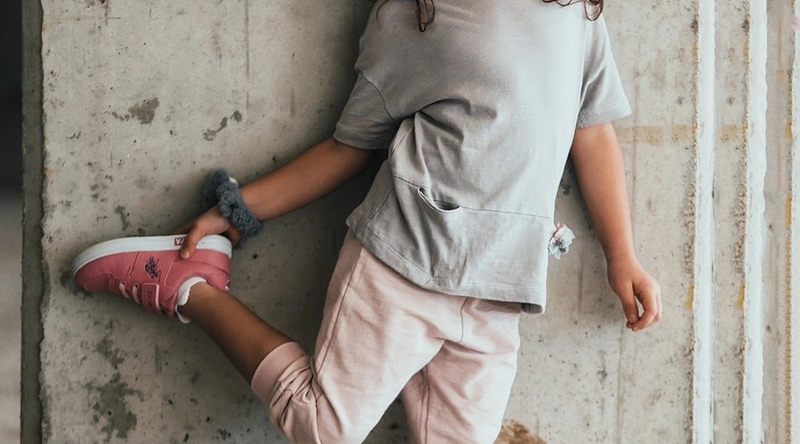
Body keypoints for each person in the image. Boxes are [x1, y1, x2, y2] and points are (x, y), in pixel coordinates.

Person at [73, 0, 662, 442]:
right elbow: (349, 148)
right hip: (405, 264)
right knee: (323, 427)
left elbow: (592, 131)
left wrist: (621, 255)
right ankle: (191, 287)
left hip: (501, 291)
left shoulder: (576, 13)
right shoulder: (419, 16)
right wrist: (238, 210)